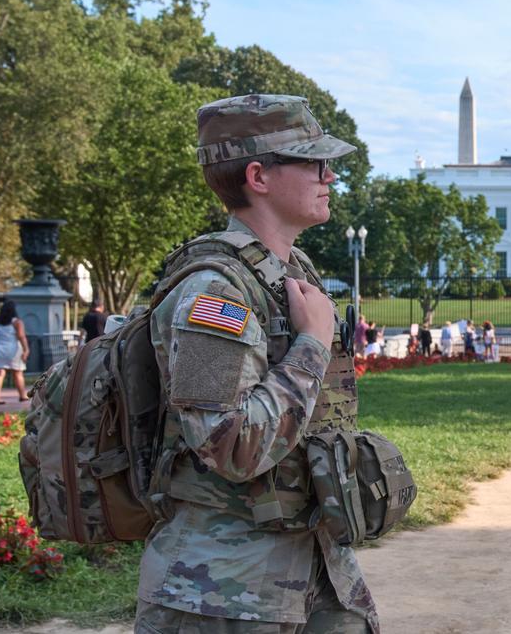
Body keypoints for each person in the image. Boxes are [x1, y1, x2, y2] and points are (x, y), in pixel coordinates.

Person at [135, 94, 378, 631]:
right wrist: (312, 343)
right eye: (314, 162)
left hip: (315, 569)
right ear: (258, 176)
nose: (330, 176)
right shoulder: (214, 294)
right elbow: (231, 446)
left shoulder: (291, 273)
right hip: (221, 591)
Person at [0, 300, 30, 403]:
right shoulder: (17, 322)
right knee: (18, 373)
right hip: (14, 348)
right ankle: (22, 395)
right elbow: (21, 336)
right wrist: (26, 350)